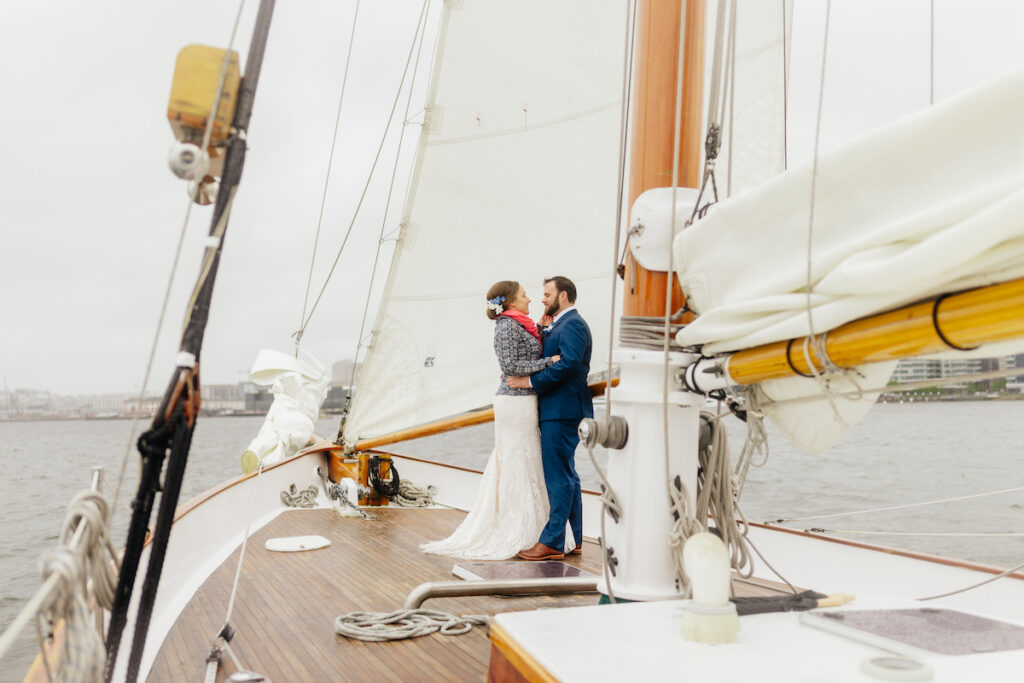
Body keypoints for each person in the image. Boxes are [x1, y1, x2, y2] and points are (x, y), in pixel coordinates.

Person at [421, 281, 560, 560]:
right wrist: (549, 362)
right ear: (509, 301)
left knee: (525, 459)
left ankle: (534, 529)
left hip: (523, 399)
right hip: (514, 401)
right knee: (518, 459)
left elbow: (524, 353)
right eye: (524, 295)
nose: (530, 299)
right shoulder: (507, 326)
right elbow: (510, 367)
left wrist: (543, 329)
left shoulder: (520, 324)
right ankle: (518, 529)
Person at [507, 276, 593, 561]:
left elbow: (568, 364)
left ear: (564, 296)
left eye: (547, 294)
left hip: (563, 409)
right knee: (567, 474)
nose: (542, 299)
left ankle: (553, 542)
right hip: (559, 408)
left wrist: (530, 381)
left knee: (558, 476)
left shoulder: (574, 325)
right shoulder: (560, 324)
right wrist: (544, 330)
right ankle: (575, 539)